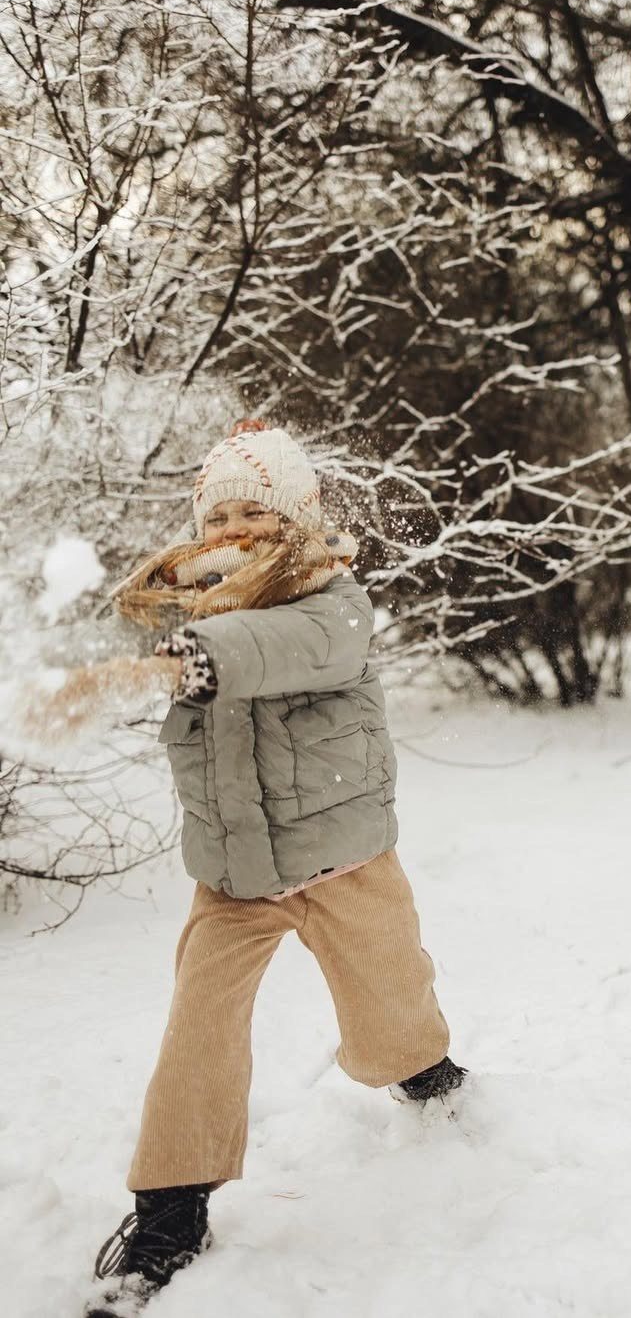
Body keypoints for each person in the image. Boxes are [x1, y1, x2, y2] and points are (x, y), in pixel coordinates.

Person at [26, 422, 464, 1316]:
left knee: (391, 1010)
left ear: (296, 516)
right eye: (216, 511)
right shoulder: (193, 618)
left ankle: (429, 1078)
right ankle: (170, 1207)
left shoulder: (332, 599)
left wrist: (193, 660)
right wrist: (131, 679)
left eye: (253, 509)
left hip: (343, 859)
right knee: (200, 1026)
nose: (231, 526)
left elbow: (288, 649)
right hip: (234, 879)